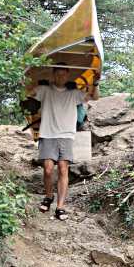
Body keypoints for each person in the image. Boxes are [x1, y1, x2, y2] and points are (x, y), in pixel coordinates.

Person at [26, 63, 100, 220]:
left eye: (64, 74)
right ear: (53, 75)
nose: (61, 77)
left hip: (66, 135)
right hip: (47, 133)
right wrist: (34, 78)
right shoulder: (45, 90)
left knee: (62, 168)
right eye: (58, 74)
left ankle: (60, 207)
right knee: (47, 169)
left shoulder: (74, 93)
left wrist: (96, 83)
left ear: (67, 75)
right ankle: (48, 196)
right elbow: (29, 93)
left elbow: (94, 97)